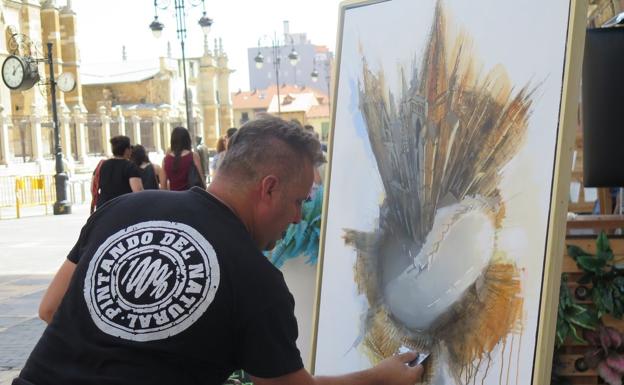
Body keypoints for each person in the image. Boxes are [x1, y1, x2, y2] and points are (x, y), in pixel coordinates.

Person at [14, 116, 423, 385]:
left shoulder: (123, 207)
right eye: (299, 201)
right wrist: (382, 377)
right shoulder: (256, 280)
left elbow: (50, 308)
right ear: (269, 188)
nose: (299, 218)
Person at [91, 135, 143, 210]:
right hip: (123, 208)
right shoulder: (130, 166)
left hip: (103, 208)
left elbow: (93, 187)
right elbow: (138, 192)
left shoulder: (102, 165)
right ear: (126, 150)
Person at [162, 126, 204, 190]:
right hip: (190, 197)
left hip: (174, 197)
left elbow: (163, 186)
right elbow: (201, 179)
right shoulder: (193, 156)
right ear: (187, 140)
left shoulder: (166, 160)